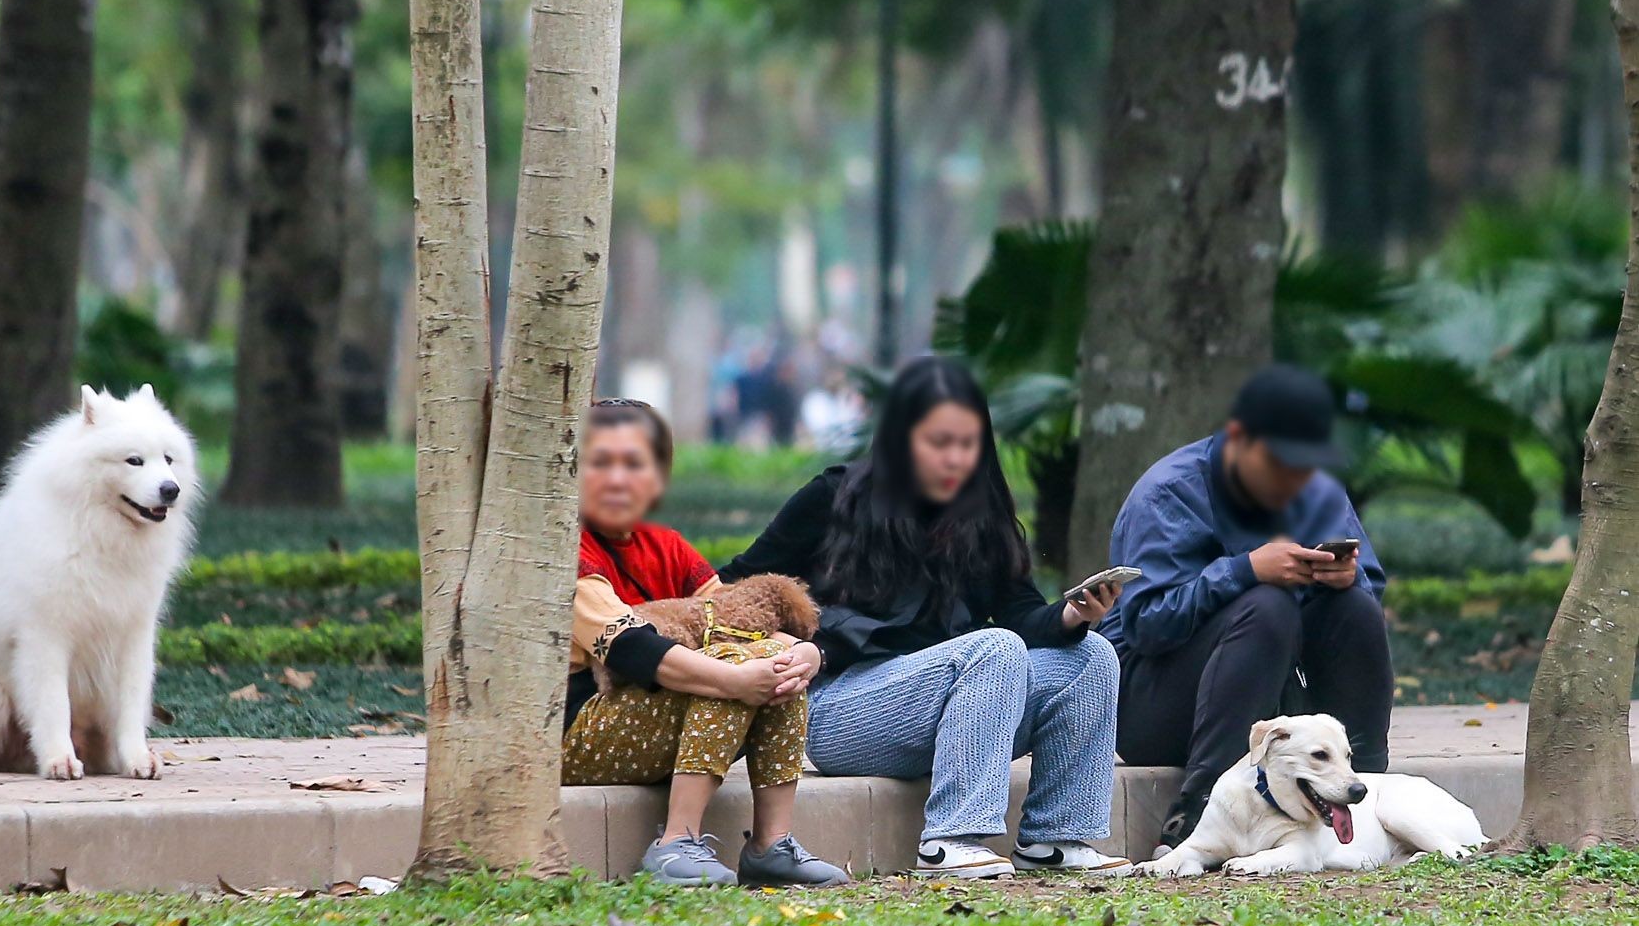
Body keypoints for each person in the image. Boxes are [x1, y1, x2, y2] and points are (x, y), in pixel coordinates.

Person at [722, 357, 1132, 880]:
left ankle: (1055, 838)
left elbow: (1021, 613)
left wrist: (1072, 615)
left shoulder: (979, 516)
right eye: (939, 443)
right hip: (836, 709)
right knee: (995, 648)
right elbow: (738, 582)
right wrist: (790, 640)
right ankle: (950, 840)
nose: (955, 459)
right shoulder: (834, 498)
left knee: (1091, 655)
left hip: (962, 707)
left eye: (968, 444)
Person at [1101, 364, 1391, 855]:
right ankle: (1195, 816)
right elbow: (1147, 624)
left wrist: (1349, 578)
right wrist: (1244, 571)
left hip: (1275, 703)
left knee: (1355, 608)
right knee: (1267, 604)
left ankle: (1372, 795)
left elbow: (1367, 595)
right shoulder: (1170, 491)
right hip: (1154, 702)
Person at [565, 399, 849, 888]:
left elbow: (736, 619)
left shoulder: (666, 544)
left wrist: (800, 653)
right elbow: (631, 648)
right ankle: (676, 842)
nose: (617, 480)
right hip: (577, 734)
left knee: (769, 661)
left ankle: (771, 846)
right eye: (600, 463)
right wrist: (737, 677)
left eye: (634, 464)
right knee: (736, 669)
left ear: (658, 476)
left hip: (651, 722)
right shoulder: (563, 549)